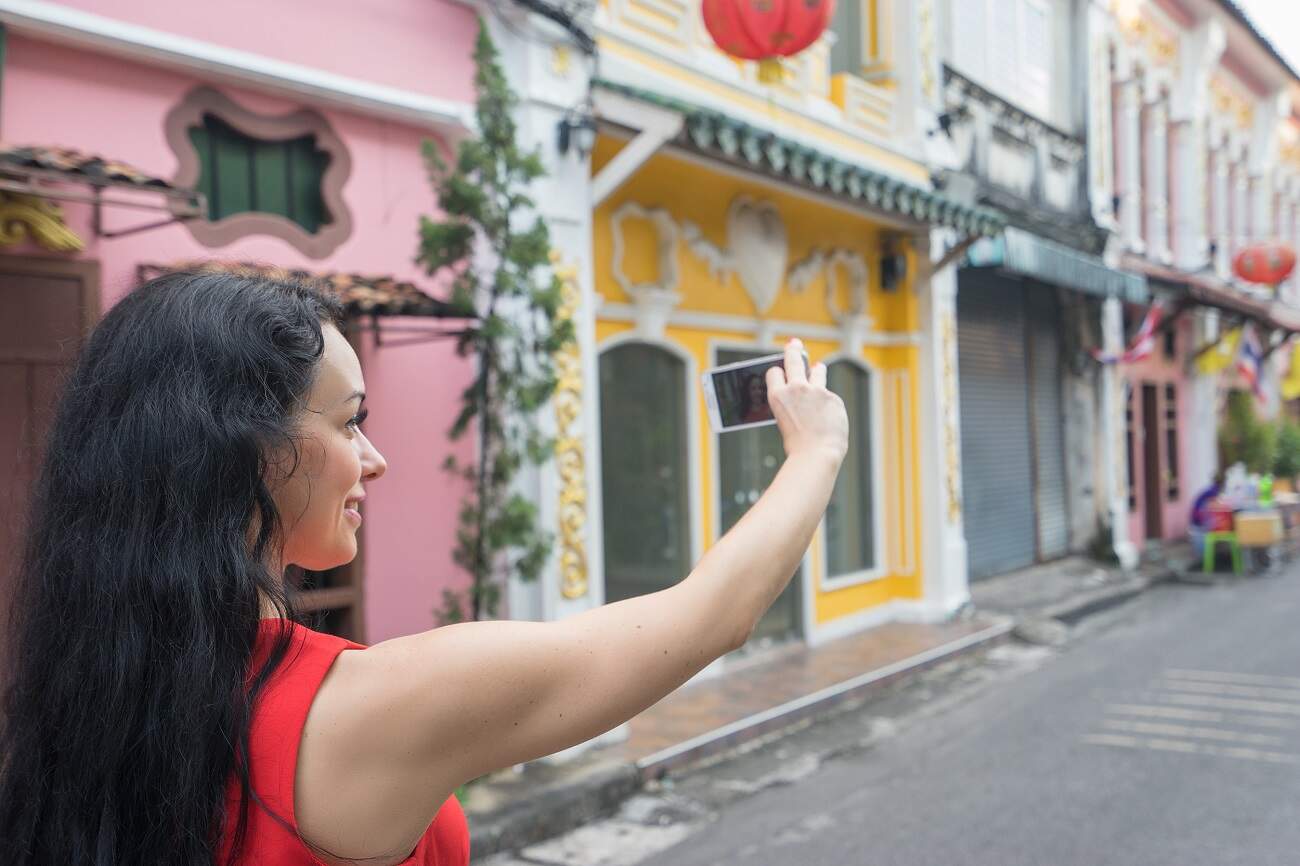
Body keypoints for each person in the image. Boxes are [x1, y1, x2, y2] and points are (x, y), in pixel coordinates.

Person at [0, 270, 848, 866]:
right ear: (242, 446)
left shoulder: (79, 697)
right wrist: (817, 446)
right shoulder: (360, 709)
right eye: (348, 423)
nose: (374, 459)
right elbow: (711, 615)